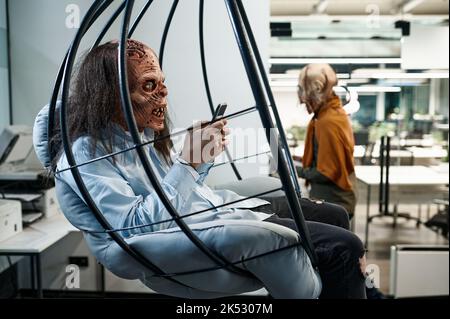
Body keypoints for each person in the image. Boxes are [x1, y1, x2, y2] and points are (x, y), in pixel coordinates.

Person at [51, 40, 367, 298]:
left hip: (216, 208)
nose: (163, 93)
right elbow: (135, 229)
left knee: (336, 216)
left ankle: (344, 278)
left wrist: (202, 157)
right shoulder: (86, 156)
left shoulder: (140, 136)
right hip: (210, 224)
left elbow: (182, 189)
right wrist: (188, 162)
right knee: (345, 247)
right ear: (112, 95)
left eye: (162, 83)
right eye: (149, 85)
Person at [296, 64, 358, 217]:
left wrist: (290, 169)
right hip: (333, 199)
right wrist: (296, 160)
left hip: (334, 202)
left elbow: (326, 173)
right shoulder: (332, 113)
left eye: (303, 89)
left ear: (315, 90)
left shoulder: (327, 121)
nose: (302, 98)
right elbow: (326, 159)